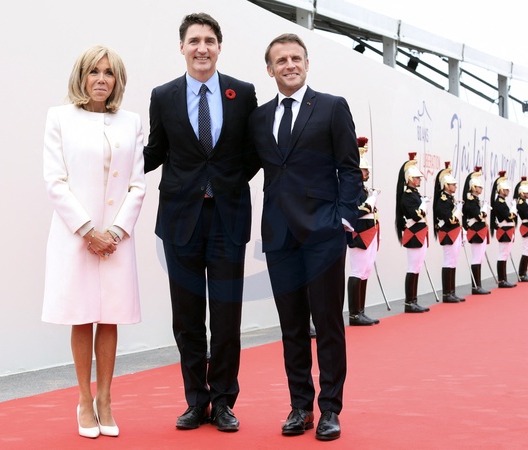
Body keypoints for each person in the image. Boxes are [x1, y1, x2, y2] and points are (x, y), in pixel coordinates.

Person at [142, 13, 258, 432]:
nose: (202, 48)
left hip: (228, 219)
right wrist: (111, 165)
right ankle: (196, 401)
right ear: (182, 47)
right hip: (180, 222)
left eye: (209, 40)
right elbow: (156, 151)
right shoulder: (163, 96)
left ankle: (224, 401)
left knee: (226, 318)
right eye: (194, 41)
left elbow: (252, 153)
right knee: (187, 319)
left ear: (219, 47)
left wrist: (224, 184)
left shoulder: (242, 93)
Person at [248, 33, 360, 441]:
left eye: (296, 58)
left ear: (307, 64)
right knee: (292, 325)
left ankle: (330, 409)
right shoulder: (259, 118)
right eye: (281, 60)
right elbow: (244, 167)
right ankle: (300, 407)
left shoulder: (331, 107)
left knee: (327, 322)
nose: (290, 65)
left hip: (323, 235)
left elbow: (350, 168)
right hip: (279, 236)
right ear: (270, 69)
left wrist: (343, 218)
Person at [42, 45, 146, 439]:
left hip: (116, 238)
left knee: (110, 316)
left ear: (117, 80)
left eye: (109, 73)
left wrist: (115, 232)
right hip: (77, 237)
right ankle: (84, 400)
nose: (101, 79)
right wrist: (89, 230)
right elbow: (55, 181)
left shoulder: (131, 122)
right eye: (94, 72)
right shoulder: (59, 118)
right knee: (82, 314)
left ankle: (105, 399)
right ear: (81, 77)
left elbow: (137, 184)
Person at [347, 137, 381, 325]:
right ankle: (354, 314)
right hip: (359, 233)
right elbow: (356, 211)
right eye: (364, 169)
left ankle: (360, 311)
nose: (368, 172)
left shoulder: (362, 188)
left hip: (369, 232)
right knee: (357, 271)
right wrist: (370, 202)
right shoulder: (352, 188)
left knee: (365, 271)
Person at [395, 153, 431, 312]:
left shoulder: (415, 194)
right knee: (413, 267)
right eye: (416, 178)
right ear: (409, 179)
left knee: (417, 267)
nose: (419, 180)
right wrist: (424, 205)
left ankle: (413, 300)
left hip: (420, 233)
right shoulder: (407, 196)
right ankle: (410, 302)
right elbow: (416, 216)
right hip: (414, 233)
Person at [432, 162, 465, 303]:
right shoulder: (443, 200)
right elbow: (450, 219)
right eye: (453, 184)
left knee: (453, 261)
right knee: (448, 261)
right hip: (448, 232)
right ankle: (447, 293)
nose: (455, 186)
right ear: (446, 185)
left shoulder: (450, 199)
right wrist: (458, 209)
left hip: (454, 232)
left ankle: (452, 291)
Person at [462, 167, 491, 295]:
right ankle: (475, 286)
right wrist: (484, 209)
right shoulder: (471, 202)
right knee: (476, 258)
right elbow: (479, 216)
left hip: (480, 231)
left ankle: (478, 285)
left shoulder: (475, 201)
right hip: (476, 231)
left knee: (479, 258)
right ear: (473, 187)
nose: (481, 189)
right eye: (479, 187)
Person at [490, 171, 517, 288]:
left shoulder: (502, 202)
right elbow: (508, 216)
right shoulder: (499, 203)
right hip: (504, 230)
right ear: (500, 190)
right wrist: (514, 208)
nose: (508, 191)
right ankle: (502, 280)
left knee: (505, 255)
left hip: (507, 230)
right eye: (506, 190)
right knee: (503, 255)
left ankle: (503, 279)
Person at [514, 176, 528, 282]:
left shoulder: (524, 203)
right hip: (527, 227)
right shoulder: (521, 204)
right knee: (526, 250)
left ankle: (524, 273)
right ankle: (522, 274)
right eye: (526, 193)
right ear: (522, 193)